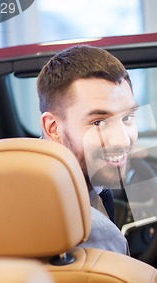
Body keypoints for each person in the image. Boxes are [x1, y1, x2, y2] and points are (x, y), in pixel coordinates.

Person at [37, 45, 137, 254]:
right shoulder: (90, 230)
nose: (121, 140)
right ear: (52, 128)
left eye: (127, 118)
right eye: (99, 122)